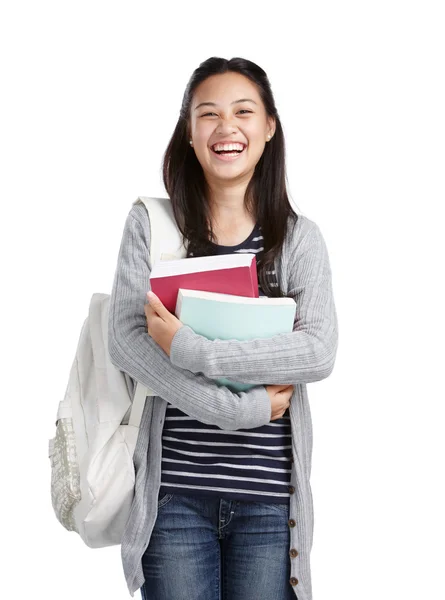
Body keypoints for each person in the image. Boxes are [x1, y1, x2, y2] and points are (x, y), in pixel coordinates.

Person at [108, 56, 338, 600]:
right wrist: (239, 409)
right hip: (174, 502)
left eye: (243, 111)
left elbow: (318, 351)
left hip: (269, 503)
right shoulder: (153, 225)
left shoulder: (299, 240)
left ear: (269, 127)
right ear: (189, 133)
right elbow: (126, 341)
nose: (225, 127)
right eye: (207, 114)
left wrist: (193, 349)